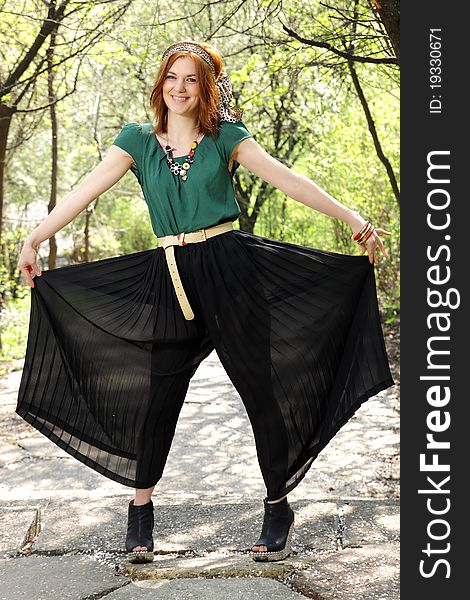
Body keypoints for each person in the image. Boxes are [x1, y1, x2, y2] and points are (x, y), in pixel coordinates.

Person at [16, 40, 395, 564]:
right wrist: (34, 237)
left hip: (229, 271)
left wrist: (354, 219)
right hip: (168, 277)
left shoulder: (225, 139)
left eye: (191, 79)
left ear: (206, 88)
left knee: (260, 392)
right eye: (172, 77)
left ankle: (277, 506)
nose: (179, 88)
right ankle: (140, 513)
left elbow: (287, 179)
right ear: (160, 83)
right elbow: (87, 190)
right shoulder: (137, 141)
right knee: (156, 400)